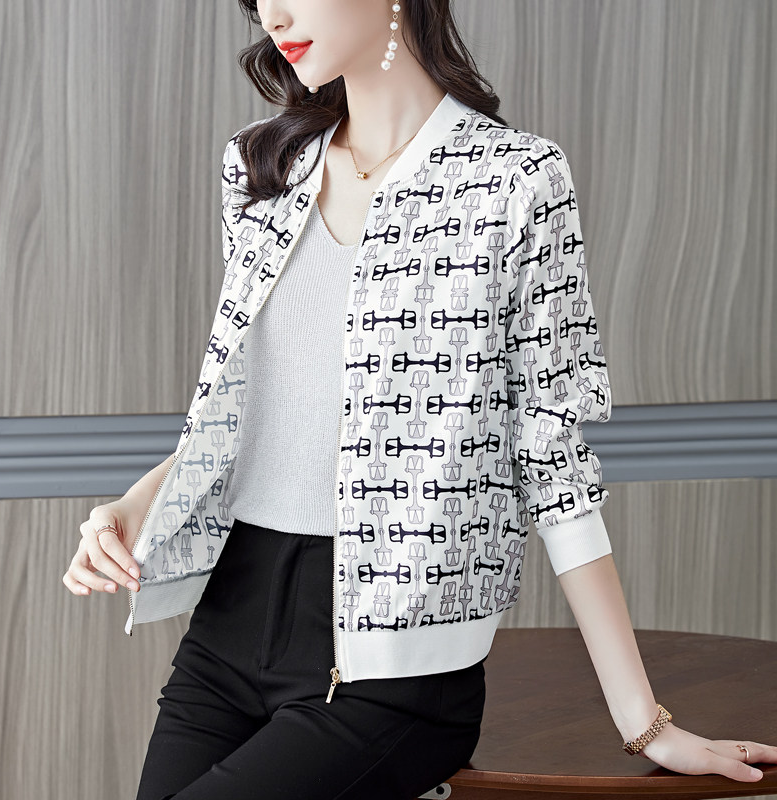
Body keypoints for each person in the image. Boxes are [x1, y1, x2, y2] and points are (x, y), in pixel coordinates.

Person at [62, 1, 777, 798]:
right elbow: (262, 415)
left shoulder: (513, 180)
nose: (276, 13)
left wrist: (643, 720)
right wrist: (133, 504)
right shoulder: (262, 165)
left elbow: (550, 455)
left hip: (392, 672)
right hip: (227, 631)